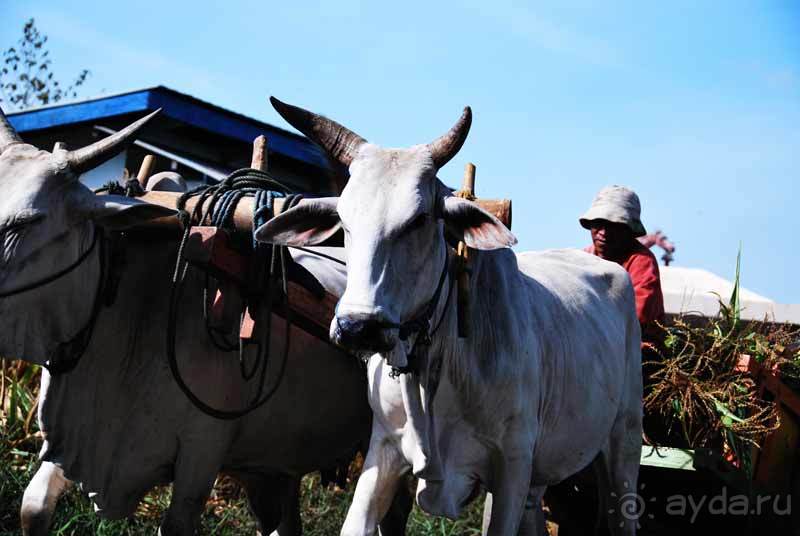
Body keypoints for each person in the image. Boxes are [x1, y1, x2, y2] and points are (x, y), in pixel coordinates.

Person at [579, 185, 665, 344]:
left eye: (613, 226)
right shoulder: (582, 259)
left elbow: (637, 317)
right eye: (598, 224)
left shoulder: (641, 261)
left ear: (629, 230)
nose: (603, 233)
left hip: (636, 353)